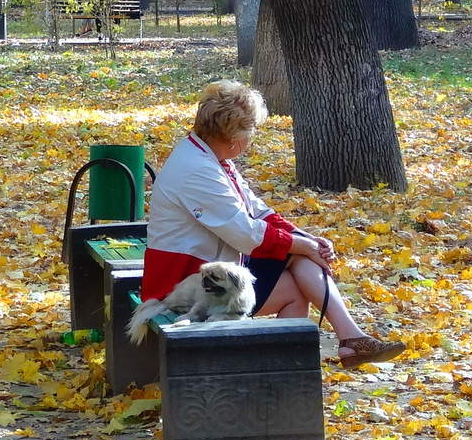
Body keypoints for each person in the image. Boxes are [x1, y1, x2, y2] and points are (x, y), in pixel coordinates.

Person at [142, 80, 407, 369]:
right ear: (234, 135)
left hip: (210, 274)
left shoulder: (209, 158)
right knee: (296, 268)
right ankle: (320, 354)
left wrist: (304, 238)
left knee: (297, 271)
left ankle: (332, 348)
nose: (253, 137)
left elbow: (256, 209)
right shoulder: (197, 169)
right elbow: (246, 234)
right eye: (252, 129)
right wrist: (303, 245)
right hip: (182, 288)